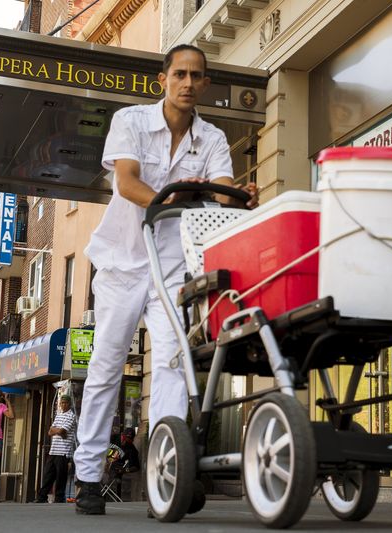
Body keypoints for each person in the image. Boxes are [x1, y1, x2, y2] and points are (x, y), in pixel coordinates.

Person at [73, 43, 258, 515]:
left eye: (197, 76)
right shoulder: (131, 122)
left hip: (172, 265)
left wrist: (238, 195)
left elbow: (222, 197)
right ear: (164, 79)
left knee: (174, 365)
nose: (188, 83)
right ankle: (88, 475)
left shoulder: (212, 138)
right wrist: (175, 201)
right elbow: (128, 183)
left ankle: (168, 473)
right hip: (120, 262)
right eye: (180, 74)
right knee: (106, 366)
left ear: (205, 84)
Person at [34, 394, 76, 504]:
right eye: (62, 403)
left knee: (61, 476)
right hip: (54, 450)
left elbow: (62, 431)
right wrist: (58, 431)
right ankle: (42, 497)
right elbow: (50, 431)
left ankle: (59, 498)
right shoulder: (59, 415)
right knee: (48, 474)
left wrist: (57, 431)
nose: (63, 405)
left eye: (65, 403)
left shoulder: (71, 416)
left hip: (64, 451)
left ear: (69, 404)